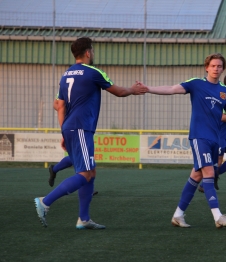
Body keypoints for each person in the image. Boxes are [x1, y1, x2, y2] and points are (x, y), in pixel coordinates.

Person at [34, 37, 147, 229]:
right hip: (81, 127)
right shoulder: (93, 72)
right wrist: (133, 89)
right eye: (92, 50)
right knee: (85, 174)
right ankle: (45, 202)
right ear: (88, 52)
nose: (93, 53)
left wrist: (64, 132)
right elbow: (118, 92)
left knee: (90, 171)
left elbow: (58, 105)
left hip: (71, 127)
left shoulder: (66, 74)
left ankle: (84, 219)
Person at [139, 53, 226, 228]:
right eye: (213, 66)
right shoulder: (196, 84)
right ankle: (218, 217)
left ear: (223, 69)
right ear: (206, 67)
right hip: (199, 137)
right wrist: (148, 88)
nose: (216, 69)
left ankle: (178, 215)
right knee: (208, 173)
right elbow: (171, 89)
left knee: (197, 175)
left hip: (215, 139)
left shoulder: (225, 91)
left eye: (220, 66)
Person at [49, 95, 99, 195]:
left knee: (82, 159)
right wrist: (69, 109)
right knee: (85, 161)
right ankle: (46, 201)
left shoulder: (82, 85)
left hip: (83, 127)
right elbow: (56, 104)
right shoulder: (67, 85)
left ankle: (54, 169)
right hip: (74, 127)